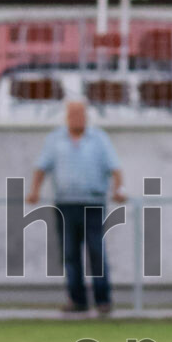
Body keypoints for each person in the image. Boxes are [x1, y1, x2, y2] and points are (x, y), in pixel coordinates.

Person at [27, 99, 125, 315]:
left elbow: (115, 168)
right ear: (67, 116)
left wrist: (118, 190)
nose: (77, 118)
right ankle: (77, 299)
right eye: (73, 114)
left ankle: (102, 300)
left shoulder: (99, 139)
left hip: (93, 203)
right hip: (65, 204)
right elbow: (41, 167)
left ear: (86, 116)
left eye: (81, 114)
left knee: (96, 252)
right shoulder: (55, 139)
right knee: (70, 253)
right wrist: (34, 191)